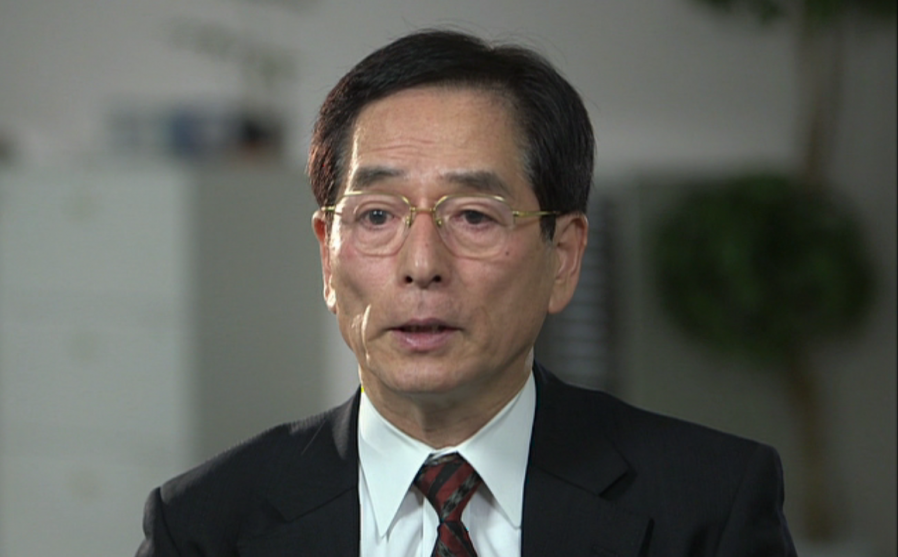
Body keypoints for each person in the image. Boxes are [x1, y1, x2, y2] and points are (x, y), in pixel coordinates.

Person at [136, 29, 797, 556]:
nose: (421, 264)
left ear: (563, 256)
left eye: (474, 216)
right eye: (376, 215)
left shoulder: (709, 505)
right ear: (327, 256)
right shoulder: (204, 524)